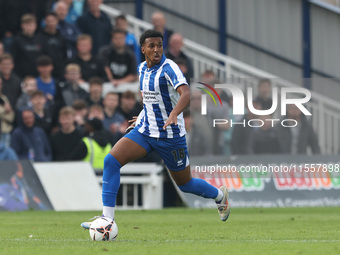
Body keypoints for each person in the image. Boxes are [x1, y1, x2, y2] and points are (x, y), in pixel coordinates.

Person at [81, 30, 230, 230]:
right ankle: (107, 218)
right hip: (145, 132)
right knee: (111, 161)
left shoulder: (170, 68)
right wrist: (142, 117)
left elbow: (185, 94)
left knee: (185, 184)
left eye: (159, 45)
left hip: (171, 136)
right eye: (151, 46)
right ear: (143, 49)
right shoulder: (142, 68)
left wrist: (173, 113)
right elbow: (150, 100)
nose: (156, 49)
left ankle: (220, 196)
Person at [39, 12, 67, 80]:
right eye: (48, 21)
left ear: (57, 21)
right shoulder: (39, 37)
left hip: (59, 70)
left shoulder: (62, 37)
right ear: (45, 22)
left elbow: (64, 54)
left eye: (53, 21)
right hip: (44, 70)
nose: (51, 23)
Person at [0, 76, 15, 147]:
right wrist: (4, 110)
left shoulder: (3, 98)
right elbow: (7, 110)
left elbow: (11, 116)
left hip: (5, 131)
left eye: (0, 84)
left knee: (6, 156)